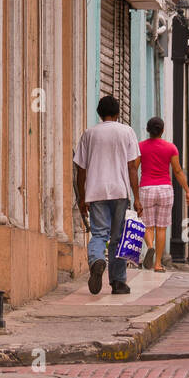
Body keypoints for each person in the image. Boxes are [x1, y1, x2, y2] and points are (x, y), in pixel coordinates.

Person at [74, 95, 142, 295]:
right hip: (120, 190)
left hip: (96, 192)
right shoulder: (127, 132)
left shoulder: (89, 134)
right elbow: (132, 167)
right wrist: (137, 198)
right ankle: (118, 282)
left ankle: (96, 259)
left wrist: (81, 196)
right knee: (118, 238)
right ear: (118, 113)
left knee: (99, 233)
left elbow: (81, 170)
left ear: (99, 113)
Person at [138, 117, 189, 272]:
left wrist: (134, 192)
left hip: (147, 188)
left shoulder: (140, 147)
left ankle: (150, 246)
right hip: (165, 189)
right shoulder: (171, 148)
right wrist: (187, 191)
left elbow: (134, 169)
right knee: (161, 228)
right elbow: (177, 171)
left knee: (148, 226)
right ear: (162, 130)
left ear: (148, 130)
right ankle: (157, 264)